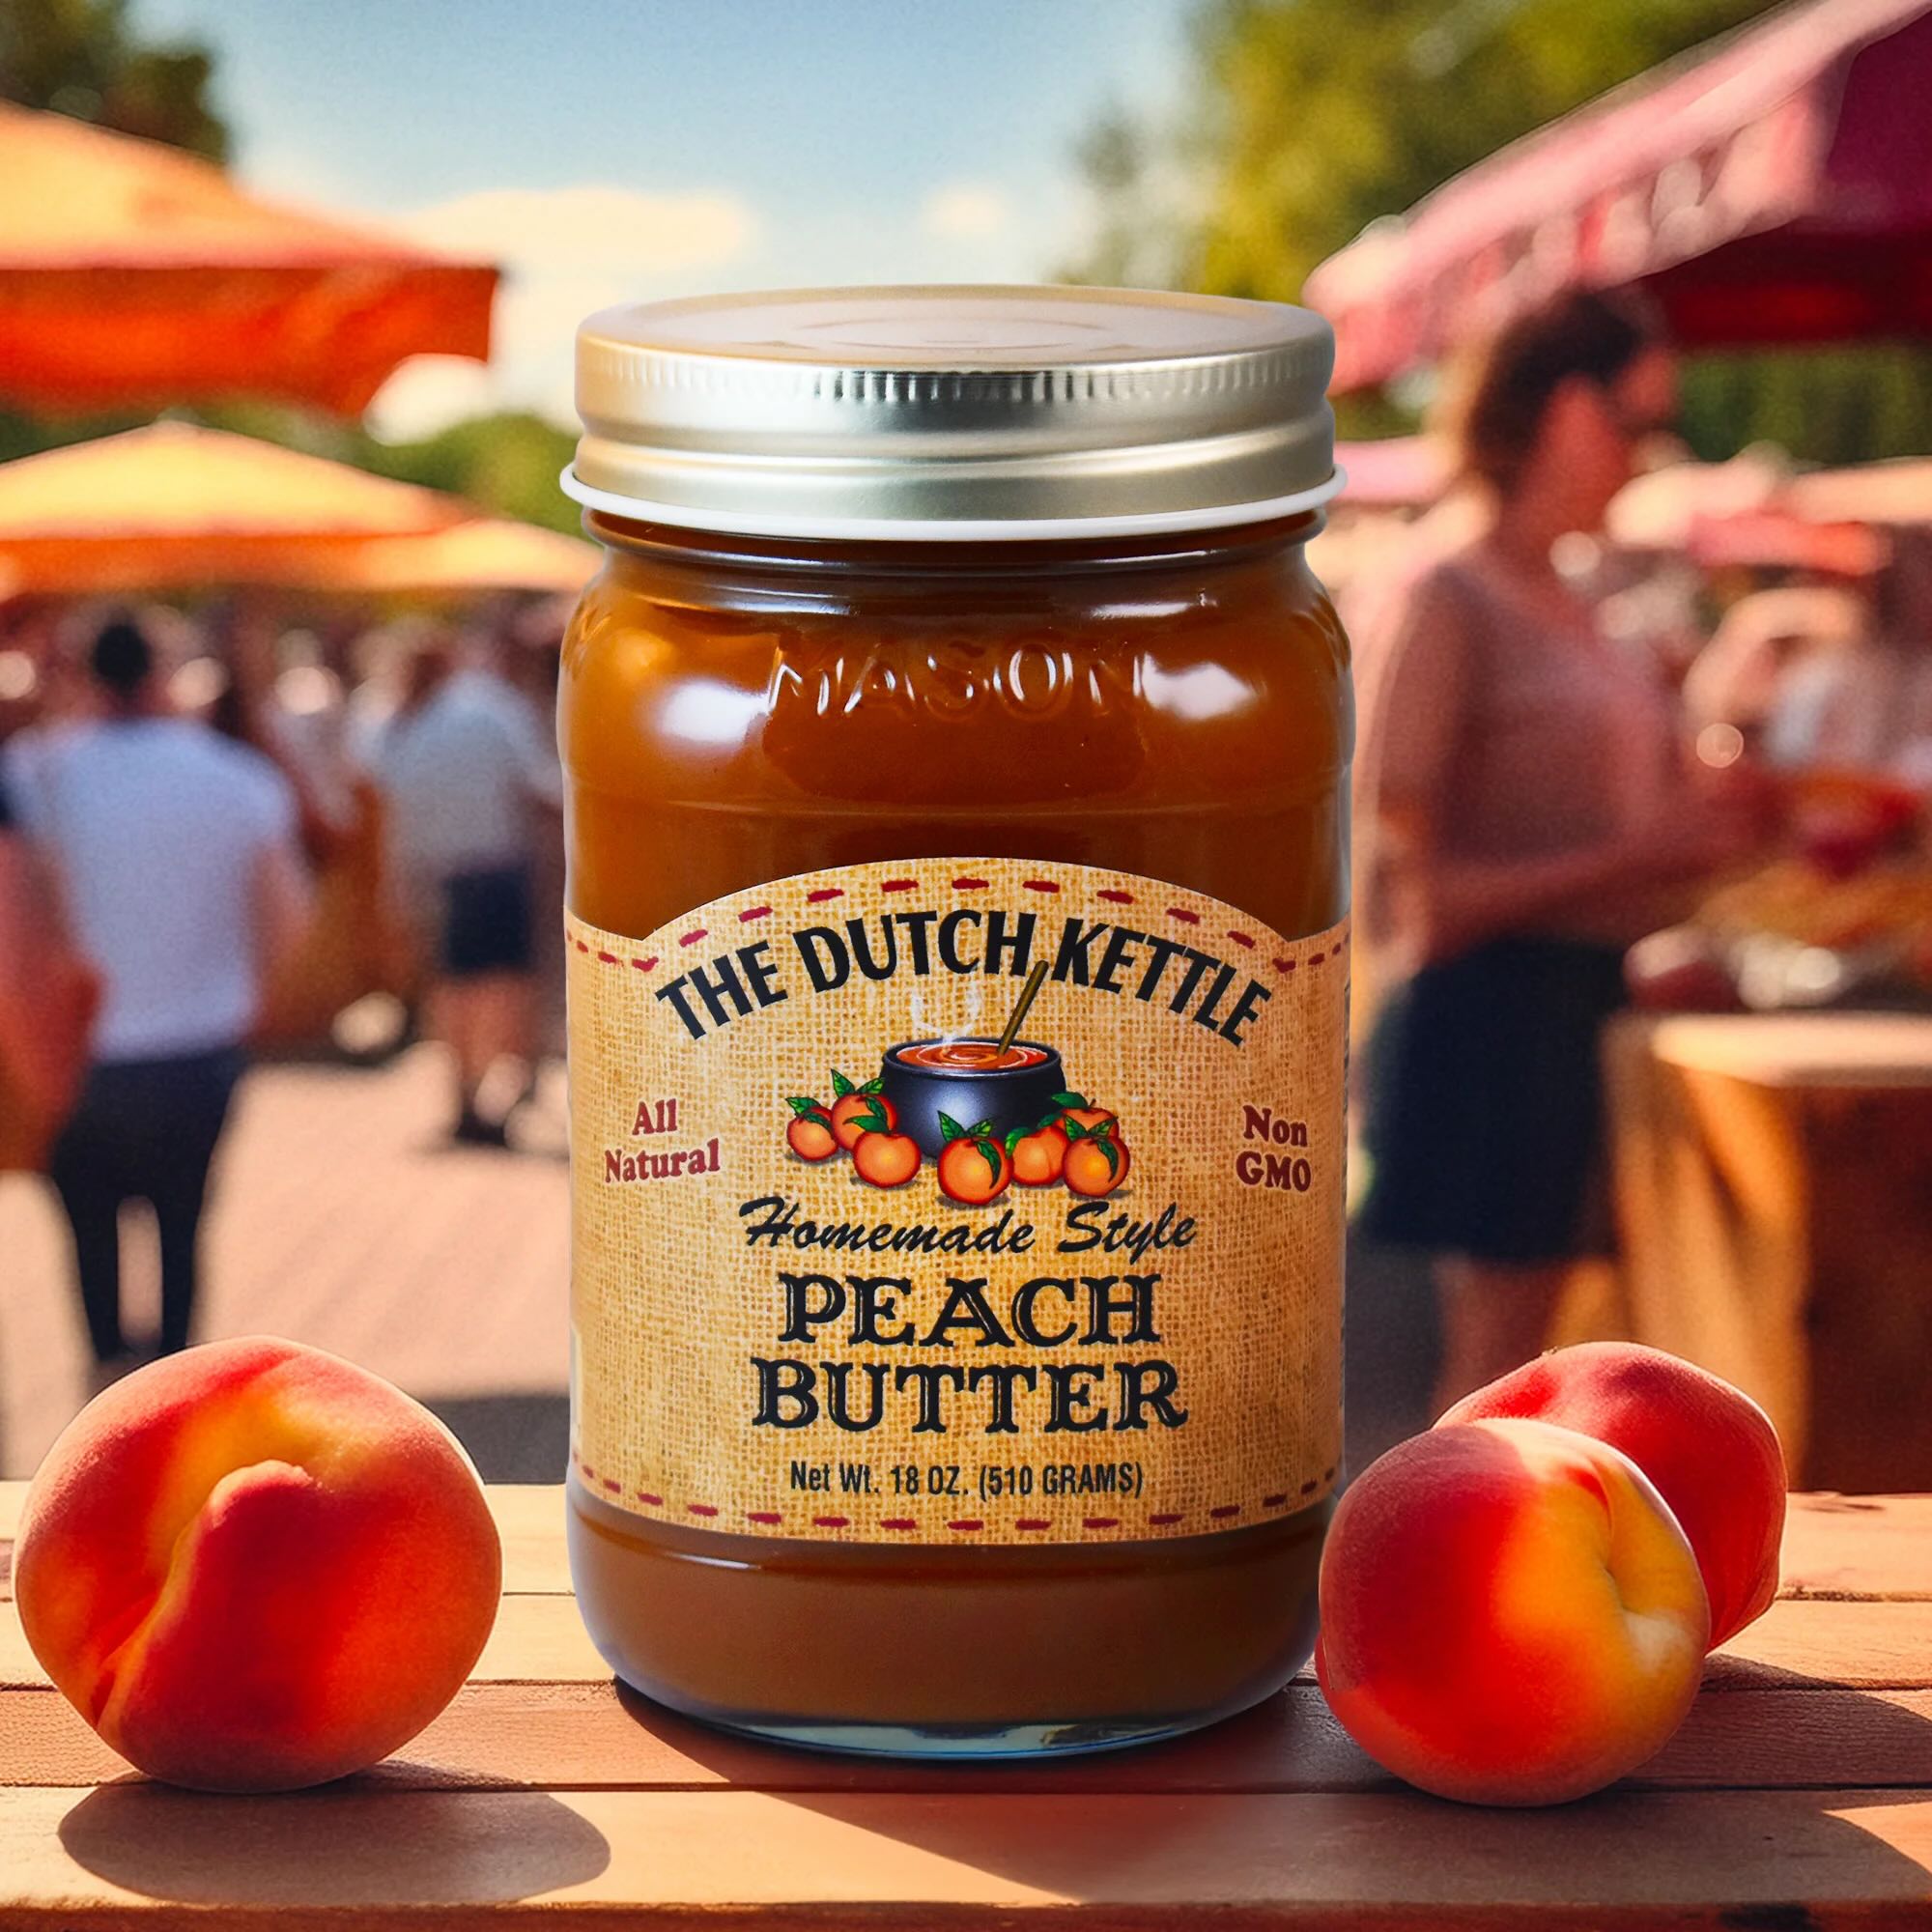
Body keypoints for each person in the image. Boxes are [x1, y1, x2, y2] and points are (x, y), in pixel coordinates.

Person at [1354, 292, 1754, 1411]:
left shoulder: (1566, 591)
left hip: (1576, 1009)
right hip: (1496, 1018)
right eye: (1640, 426)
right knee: (1497, 1379)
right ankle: (1450, 1538)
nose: (1646, 460)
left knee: (1553, 1373)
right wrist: (1640, 855)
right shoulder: (1449, 592)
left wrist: (1707, 824)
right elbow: (1418, 901)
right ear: (1572, 413)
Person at [3, 615, 310, 1379]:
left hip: (74, 1057)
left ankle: (102, 1390)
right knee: (182, 1234)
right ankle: (174, 1397)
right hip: (199, 1054)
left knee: (88, 1242)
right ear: (164, 674)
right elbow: (288, 929)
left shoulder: (31, 775)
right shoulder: (238, 779)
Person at [355, 621, 561, 1146]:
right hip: (494, 871)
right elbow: (540, 788)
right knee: (501, 991)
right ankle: (494, 1093)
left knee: (451, 992)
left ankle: (464, 1095)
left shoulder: (396, 724)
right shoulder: (490, 709)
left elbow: (388, 810)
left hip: (430, 877)